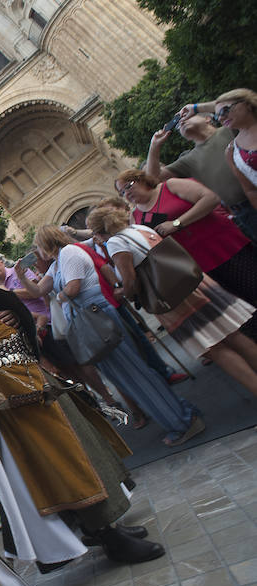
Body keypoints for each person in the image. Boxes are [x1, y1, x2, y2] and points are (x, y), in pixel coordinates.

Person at [0, 241, 164, 570]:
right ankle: (107, 535)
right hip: (12, 396)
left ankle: (101, 526)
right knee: (65, 460)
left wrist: (8, 318)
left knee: (78, 446)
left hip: (29, 381)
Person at [17, 225, 205, 447]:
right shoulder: (58, 262)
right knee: (127, 375)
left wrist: (60, 296)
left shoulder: (68, 253)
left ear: (47, 242)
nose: (38, 251)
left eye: (38, 245)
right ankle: (178, 414)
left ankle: (182, 420)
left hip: (97, 319)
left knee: (133, 373)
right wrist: (21, 275)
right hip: (93, 322)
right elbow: (38, 291)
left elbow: (73, 288)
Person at [86, 205, 257, 397]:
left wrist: (123, 293)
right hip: (193, 284)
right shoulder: (138, 228)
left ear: (100, 232)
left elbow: (130, 280)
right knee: (233, 334)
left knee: (215, 348)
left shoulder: (116, 243)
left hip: (173, 299)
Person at [116, 168, 257, 340]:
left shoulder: (169, 187)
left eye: (128, 186)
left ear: (140, 180)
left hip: (223, 247)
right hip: (195, 268)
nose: (126, 193)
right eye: (122, 192)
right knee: (241, 310)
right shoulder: (135, 217)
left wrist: (177, 223)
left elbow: (210, 198)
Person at [145, 101, 257, 242]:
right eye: (178, 125)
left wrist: (197, 108)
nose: (181, 123)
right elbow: (151, 180)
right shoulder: (188, 160)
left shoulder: (229, 130)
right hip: (244, 213)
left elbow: (243, 103)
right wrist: (154, 146)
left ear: (207, 118)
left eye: (186, 118)